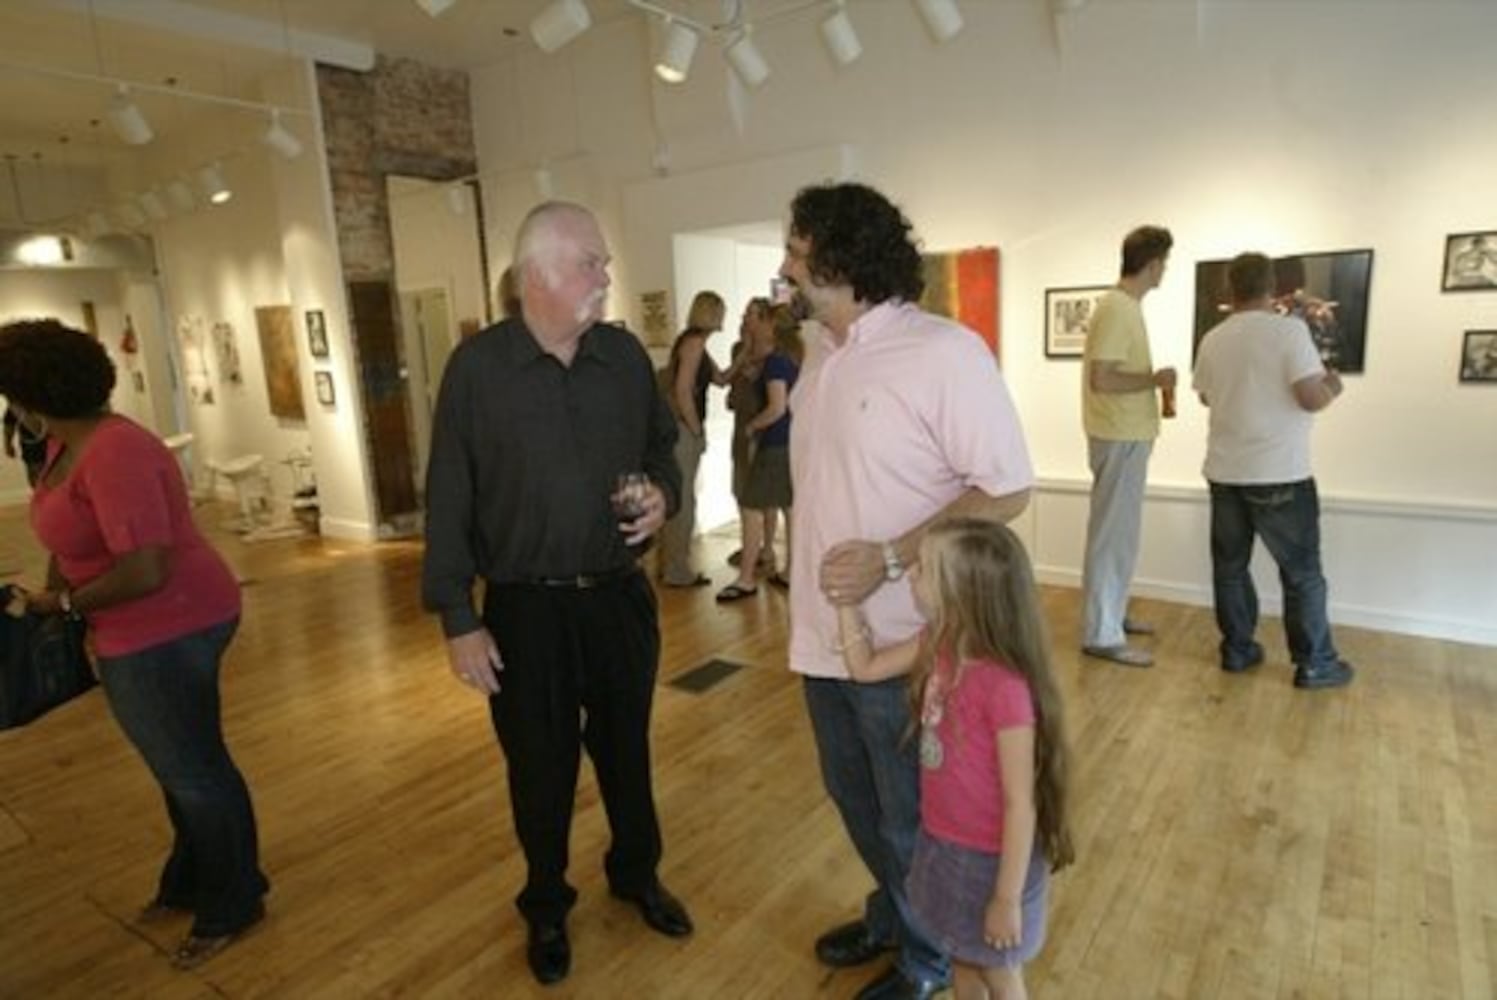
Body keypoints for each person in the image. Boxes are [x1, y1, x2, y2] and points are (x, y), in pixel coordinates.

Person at [421, 201, 693, 986]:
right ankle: (545, 902)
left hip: (617, 599)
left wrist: (662, 499)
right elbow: (448, 497)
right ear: (536, 273)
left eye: (603, 264)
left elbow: (660, 448)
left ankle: (636, 873)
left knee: (626, 752)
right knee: (538, 768)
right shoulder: (477, 371)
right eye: (591, 263)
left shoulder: (620, 358)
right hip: (525, 609)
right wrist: (458, 618)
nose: (606, 276)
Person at [782, 181, 1035, 1000]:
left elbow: (1005, 488)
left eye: (796, 246)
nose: (785, 263)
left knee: (909, 818)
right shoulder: (819, 350)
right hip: (822, 635)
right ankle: (896, 916)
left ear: (841, 256)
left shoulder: (944, 352)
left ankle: (926, 963)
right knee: (852, 797)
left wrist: (892, 558)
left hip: (908, 639)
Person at [0, 318, 266, 970]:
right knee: (178, 763)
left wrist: (60, 604)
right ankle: (190, 879)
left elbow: (147, 567)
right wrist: (56, 586)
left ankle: (235, 898)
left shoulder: (115, 451)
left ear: (30, 399)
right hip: (134, 627)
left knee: (194, 770)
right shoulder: (68, 446)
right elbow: (71, 536)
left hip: (169, 624)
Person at [835, 519, 1073, 1000]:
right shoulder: (936, 646)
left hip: (993, 860)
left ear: (961, 594)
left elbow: (1019, 804)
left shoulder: (1005, 688)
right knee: (964, 961)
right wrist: (845, 604)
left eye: (923, 569)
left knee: (1000, 973)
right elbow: (864, 668)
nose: (910, 575)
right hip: (944, 845)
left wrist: (1006, 899)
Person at [1192, 252, 1354, 690]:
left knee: (1229, 568)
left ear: (1231, 287)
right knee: (1301, 573)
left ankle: (1238, 651)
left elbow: (1206, 397)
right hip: (1280, 472)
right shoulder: (1290, 331)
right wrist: (1334, 386)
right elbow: (1310, 397)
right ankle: (1316, 663)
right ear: (1272, 286)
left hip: (1225, 472)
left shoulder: (1213, 338)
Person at [1079, 225, 1175, 668]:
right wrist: (1153, 380)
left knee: (1121, 535)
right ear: (1152, 263)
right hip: (1118, 435)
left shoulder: (1126, 307)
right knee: (1112, 537)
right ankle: (1101, 632)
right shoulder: (1118, 308)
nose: (1164, 272)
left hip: (1127, 434)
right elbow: (1104, 378)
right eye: (1164, 263)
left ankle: (1111, 616)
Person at [718, 302, 802, 601]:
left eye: (753, 316)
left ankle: (746, 579)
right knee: (791, 509)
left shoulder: (777, 362)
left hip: (775, 442)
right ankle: (792, 572)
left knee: (751, 507)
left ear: (769, 324)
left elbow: (777, 407)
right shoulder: (789, 357)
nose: (746, 320)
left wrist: (753, 426)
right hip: (791, 440)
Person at [657, 290, 733, 588]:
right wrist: (696, 430)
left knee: (683, 497)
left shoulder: (693, 342)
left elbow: (721, 379)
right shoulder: (694, 343)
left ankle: (670, 566)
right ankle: (677, 570)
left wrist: (744, 356)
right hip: (683, 431)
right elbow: (683, 390)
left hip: (682, 429)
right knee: (684, 501)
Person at [724, 298, 776, 575]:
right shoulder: (738, 349)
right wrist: (743, 354)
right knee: (741, 487)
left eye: (752, 314)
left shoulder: (774, 352)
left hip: (761, 425)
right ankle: (750, 546)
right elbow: (732, 388)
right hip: (740, 424)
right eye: (745, 314)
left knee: (764, 492)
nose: (745, 318)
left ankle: (766, 548)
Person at [4, 403, 48, 486]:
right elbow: (9, 422)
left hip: (42, 442)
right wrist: (8, 444)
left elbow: (9, 423)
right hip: (31, 443)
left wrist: (8, 444)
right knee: (36, 472)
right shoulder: (18, 401)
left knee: (38, 472)